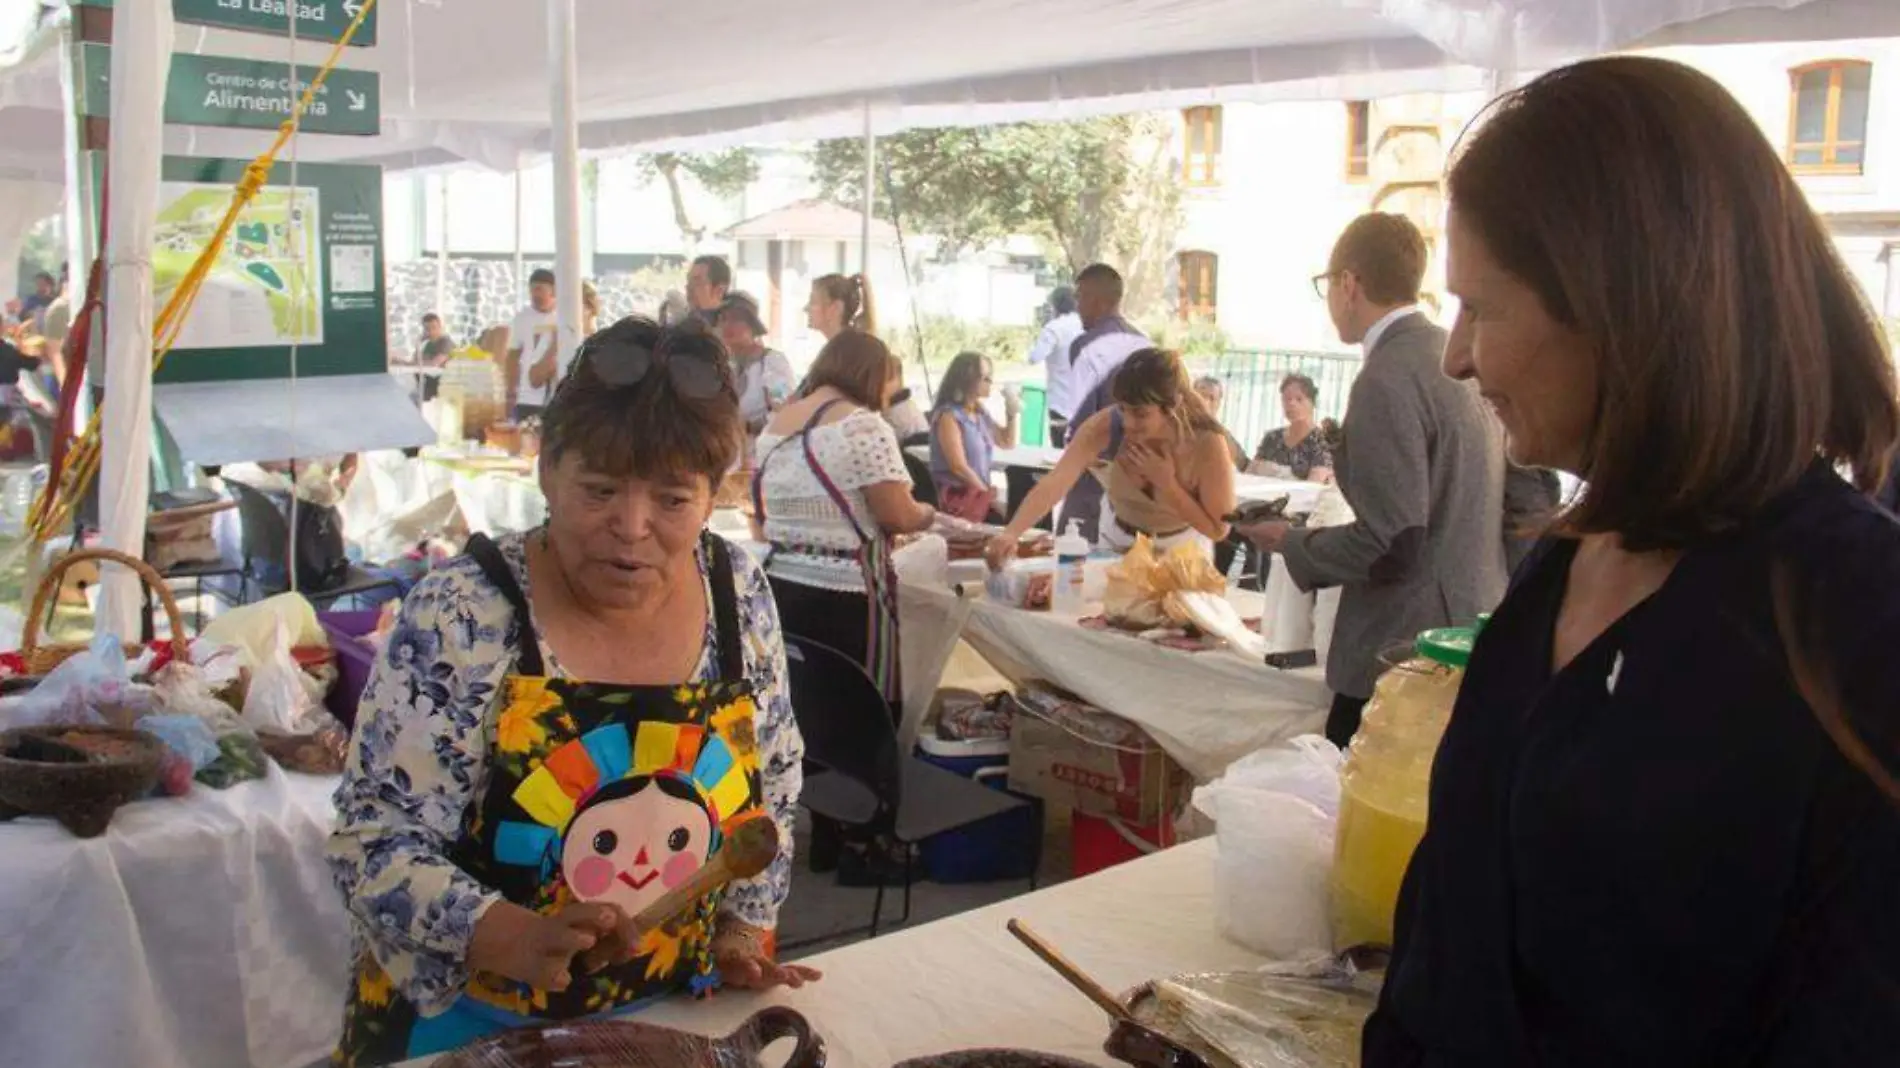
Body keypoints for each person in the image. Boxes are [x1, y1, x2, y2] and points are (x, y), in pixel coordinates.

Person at [1363, 56, 1900, 1066]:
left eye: (1484, 307)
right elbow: (1452, 924)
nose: (1457, 356)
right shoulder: (1563, 565)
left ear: (1626, 307)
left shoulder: (1856, 610)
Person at [328, 315, 817, 1066]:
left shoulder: (737, 590)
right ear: (546, 469)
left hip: (671, 1021)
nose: (631, 526)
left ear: (713, 493)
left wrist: (740, 930)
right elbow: (371, 843)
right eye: (598, 489)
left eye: (673, 500)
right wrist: (507, 932)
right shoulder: (467, 612)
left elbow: (773, 787)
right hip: (465, 1027)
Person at [1238, 213, 1505, 747]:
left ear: (1348, 283)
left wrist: (1291, 543)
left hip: (1404, 649)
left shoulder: (1387, 375)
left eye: (1327, 286)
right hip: (1473, 629)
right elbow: (1521, 499)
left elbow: (1395, 541)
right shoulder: (1454, 356)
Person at [987, 347, 1234, 565]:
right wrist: (1012, 533)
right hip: (1117, 545)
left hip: (1182, 552)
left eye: (1140, 414)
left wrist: (1168, 485)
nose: (1127, 423)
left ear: (1173, 406)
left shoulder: (1207, 442)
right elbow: (1057, 481)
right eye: (1123, 409)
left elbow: (1217, 529)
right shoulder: (1105, 426)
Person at [1056, 265, 1150, 542]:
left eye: (1080, 299)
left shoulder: (1086, 346)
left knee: (1072, 551)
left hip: (1094, 467)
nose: (1078, 308)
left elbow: (1080, 418)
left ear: (1096, 300)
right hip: (1138, 470)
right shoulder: (1146, 344)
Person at [929, 350, 1020, 522]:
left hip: (977, 493)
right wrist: (986, 495)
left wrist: (1011, 413)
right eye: (985, 378)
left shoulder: (979, 412)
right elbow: (958, 467)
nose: (990, 382)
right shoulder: (949, 416)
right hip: (957, 498)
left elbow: (1006, 442)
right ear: (967, 380)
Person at [715, 292, 795, 441]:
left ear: (752, 325)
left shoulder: (772, 363)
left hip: (760, 454)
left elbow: (784, 410)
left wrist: (750, 427)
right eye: (723, 319)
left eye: (736, 319)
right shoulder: (720, 365)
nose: (727, 325)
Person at [1027, 285, 1085, 445]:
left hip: (1060, 402)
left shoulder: (1054, 328)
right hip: (1085, 401)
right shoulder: (1085, 324)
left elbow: (1034, 357)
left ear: (1055, 305)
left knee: (1059, 452)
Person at [1250, 374, 1335, 483]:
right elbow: (1251, 473)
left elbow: (1315, 484)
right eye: (1286, 399)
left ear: (1312, 403)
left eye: (1299, 399)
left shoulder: (1321, 441)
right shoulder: (1272, 438)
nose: (1291, 404)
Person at [507, 268, 559, 420]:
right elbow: (513, 355)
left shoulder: (564, 317)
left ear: (553, 291)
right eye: (532, 290)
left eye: (540, 289)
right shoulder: (522, 318)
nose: (535, 295)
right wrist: (510, 389)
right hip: (526, 397)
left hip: (554, 396)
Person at [411, 313, 456, 403]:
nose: (431, 331)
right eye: (427, 329)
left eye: (434, 327)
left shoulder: (445, 342)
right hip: (427, 383)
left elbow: (435, 363)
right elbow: (417, 360)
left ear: (440, 326)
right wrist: (419, 343)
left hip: (441, 385)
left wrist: (415, 362)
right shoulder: (428, 344)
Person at [686, 255, 731, 327]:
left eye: (697, 282)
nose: (689, 287)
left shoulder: (729, 329)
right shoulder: (682, 327)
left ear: (719, 290)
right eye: (689, 281)